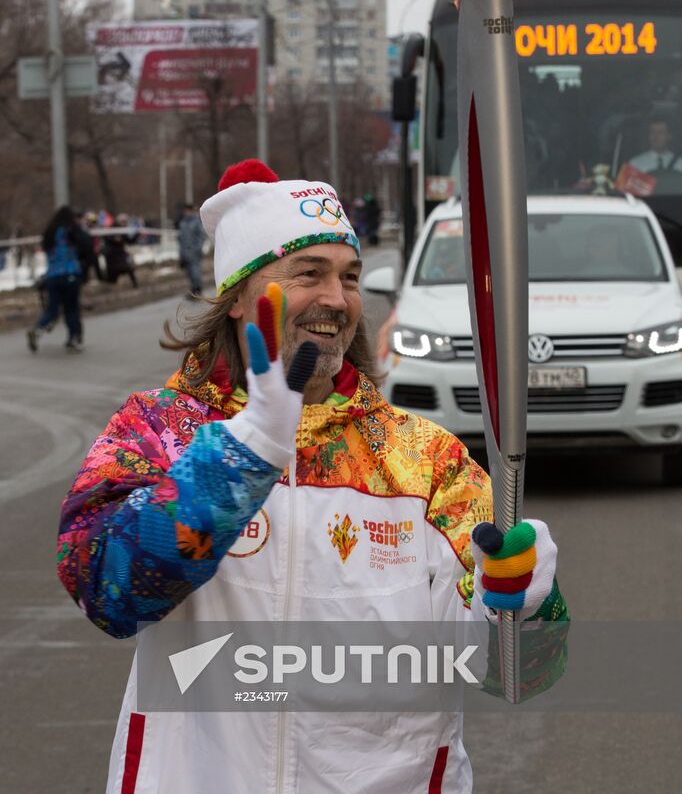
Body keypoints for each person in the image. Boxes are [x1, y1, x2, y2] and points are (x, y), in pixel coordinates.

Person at [57, 160, 567, 794]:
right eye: (308, 273)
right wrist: (248, 450)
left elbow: (520, 677)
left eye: (350, 277)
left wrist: (527, 604)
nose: (336, 297)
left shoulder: (424, 460)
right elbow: (107, 589)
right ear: (240, 295)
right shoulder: (160, 432)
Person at [27, 206, 83, 352]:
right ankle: (73, 338)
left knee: (52, 309)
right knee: (71, 308)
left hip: (52, 276)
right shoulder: (69, 230)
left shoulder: (49, 232)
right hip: (70, 273)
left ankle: (38, 329)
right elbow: (84, 243)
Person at [177, 201, 205, 296]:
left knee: (195, 271)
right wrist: (181, 253)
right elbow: (181, 238)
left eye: (188, 210)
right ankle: (193, 289)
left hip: (194, 252)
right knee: (189, 272)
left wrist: (197, 248)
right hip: (185, 252)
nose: (186, 212)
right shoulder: (183, 222)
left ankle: (198, 290)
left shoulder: (196, 222)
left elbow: (201, 236)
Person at [103, 215, 138, 287]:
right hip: (112, 255)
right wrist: (114, 239)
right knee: (113, 273)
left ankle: (135, 284)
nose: (125, 224)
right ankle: (110, 285)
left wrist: (137, 234)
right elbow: (106, 237)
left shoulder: (122, 231)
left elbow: (129, 241)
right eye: (123, 222)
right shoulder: (112, 228)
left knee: (129, 268)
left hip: (121, 254)